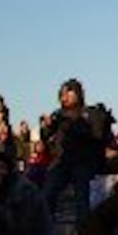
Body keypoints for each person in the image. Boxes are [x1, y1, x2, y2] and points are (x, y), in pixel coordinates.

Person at [43, 79, 108, 225]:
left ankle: (84, 234)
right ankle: (45, 228)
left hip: (83, 161)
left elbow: (97, 137)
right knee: (48, 192)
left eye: (69, 93)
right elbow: (47, 137)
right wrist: (46, 128)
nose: (65, 97)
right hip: (61, 161)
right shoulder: (57, 115)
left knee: (82, 199)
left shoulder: (90, 113)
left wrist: (75, 126)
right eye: (62, 94)